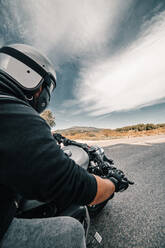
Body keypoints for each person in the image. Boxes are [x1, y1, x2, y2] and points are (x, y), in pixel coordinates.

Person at [0, 44, 132, 248]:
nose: (44, 95)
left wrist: (52, 135)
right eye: (46, 87)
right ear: (27, 74)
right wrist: (112, 183)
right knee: (70, 231)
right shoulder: (13, 111)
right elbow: (69, 183)